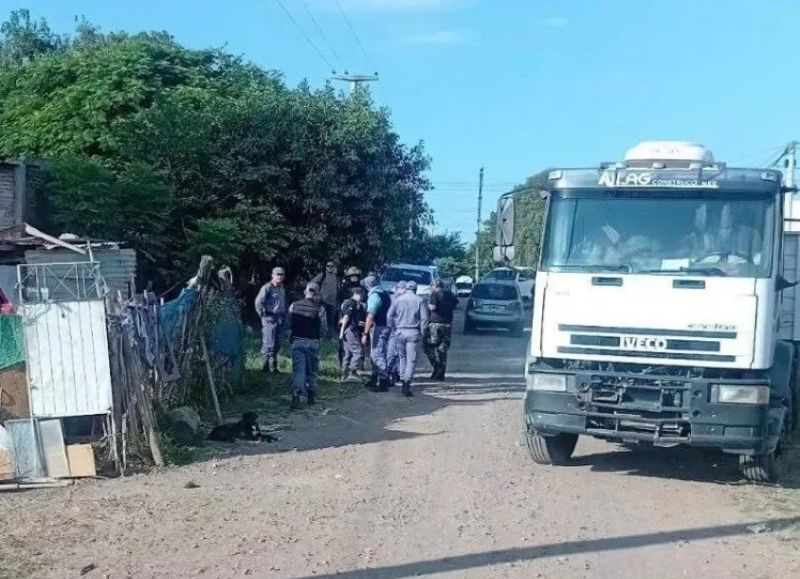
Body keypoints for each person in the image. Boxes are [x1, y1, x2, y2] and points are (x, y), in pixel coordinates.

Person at [287, 282, 327, 409]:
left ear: (305, 292)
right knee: (312, 370)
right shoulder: (320, 309)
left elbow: (288, 323)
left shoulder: (294, 305)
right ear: (317, 293)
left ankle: (296, 395)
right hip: (313, 342)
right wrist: (321, 338)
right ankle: (311, 396)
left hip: (297, 341)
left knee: (299, 370)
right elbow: (323, 328)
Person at [387, 280, 429, 397]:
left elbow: (389, 316)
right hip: (413, 332)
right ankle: (406, 383)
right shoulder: (420, 300)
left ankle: (401, 377)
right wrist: (423, 333)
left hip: (399, 331)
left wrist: (394, 328)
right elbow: (424, 320)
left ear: (406, 288)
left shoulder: (398, 299)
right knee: (412, 359)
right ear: (415, 289)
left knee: (402, 357)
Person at [362, 275, 393, 392]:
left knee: (376, 353)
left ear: (367, 286)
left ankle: (383, 381)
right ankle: (375, 378)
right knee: (382, 352)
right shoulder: (385, 294)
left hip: (378, 326)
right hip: (387, 325)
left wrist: (365, 333)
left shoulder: (374, 296)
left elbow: (370, 316)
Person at [254, 267, 287, 373]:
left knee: (277, 343)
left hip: (279, 318)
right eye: (277, 274)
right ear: (272, 275)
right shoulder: (267, 287)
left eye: (281, 274)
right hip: (269, 318)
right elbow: (259, 302)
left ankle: (273, 366)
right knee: (269, 343)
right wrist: (263, 315)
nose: (279, 276)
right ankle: (265, 366)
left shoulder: (282, 288)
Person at [424, 280, 457, 381]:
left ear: (435, 286)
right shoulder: (450, 294)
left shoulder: (434, 294)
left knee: (429, 348)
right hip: (447, 324)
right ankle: (441, 373)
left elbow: (432, 307)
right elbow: (455, 304)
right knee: (443, 350)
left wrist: (428, 305)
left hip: (435, 324)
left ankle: (437, 367)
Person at [339, 286, 366, 381]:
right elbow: (346, 317)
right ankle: (352, 371)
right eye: (361, 294)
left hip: (352, 329)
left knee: (348, 353)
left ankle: (344, 374)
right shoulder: (351, 303)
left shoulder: (359, 305)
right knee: (358, 351)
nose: (362, 296)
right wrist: (341, 332)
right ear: (356, 294)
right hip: (350, 330)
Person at [386, 281, 408, 385]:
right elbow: (389, 316)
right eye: (403, 288)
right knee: (392, 352)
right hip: (394, 329)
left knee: (401, 353)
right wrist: (393, 328)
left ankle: (397, 373)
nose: (404, 290)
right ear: (398, 288)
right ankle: (390, 372)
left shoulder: (404, 299)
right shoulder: (392, 299)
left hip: (402, 329)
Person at [312, 260, 340, 336]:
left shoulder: (336, 277)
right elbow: (312, 284)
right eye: (328, 266)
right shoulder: (322, 275)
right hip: (322, 302)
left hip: (333, 303)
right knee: (321, 319)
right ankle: (320, 335)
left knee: (331, 321)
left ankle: (329, 336)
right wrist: (317, 294)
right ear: (325, 267)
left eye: (332, 266)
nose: (330, 267)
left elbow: (337, 289)